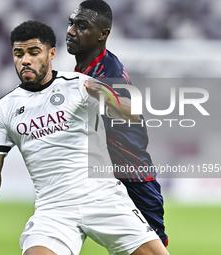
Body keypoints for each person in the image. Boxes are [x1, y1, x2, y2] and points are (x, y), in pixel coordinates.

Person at [0, 20, 169, 255]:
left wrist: (104, 94)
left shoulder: (79, 85)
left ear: (51, 53)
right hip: (54, 210)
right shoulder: (2, 109)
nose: (25, 60)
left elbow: (131, 113)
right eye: (18, 54)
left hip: (104, 199)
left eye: (33, 52)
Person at [66, 0, 168, 246]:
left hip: (133, 176)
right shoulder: (83, 68)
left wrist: (94, 89)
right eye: (71, 23)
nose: (71, 31)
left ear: (103, 34)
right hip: (103, 175)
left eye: (81, 26)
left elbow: (131, 110)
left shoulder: (108, 71)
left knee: (153, 247)